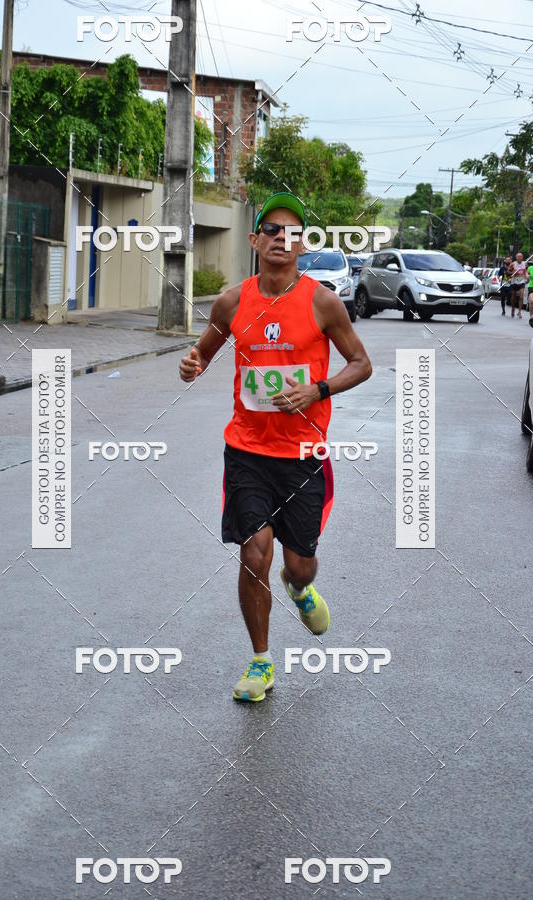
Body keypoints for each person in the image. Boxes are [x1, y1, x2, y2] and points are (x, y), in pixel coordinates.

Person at [179, 192, 372, 702]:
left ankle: (300, 586)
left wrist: (318, 388)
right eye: (271, 230)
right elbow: (201, 352)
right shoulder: (232, 301)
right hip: (246, 451)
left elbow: (361, 363)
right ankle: (261, 661)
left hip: (304, 455)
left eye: (291, 232)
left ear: (302, 245)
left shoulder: (322, 302)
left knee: (297, 562)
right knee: (253, 554)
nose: (280, 239)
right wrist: (191, 363)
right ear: (254, 239)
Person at [509, 251, 527, 318]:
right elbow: (508, 271)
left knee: (521, 296)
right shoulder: (513, 264)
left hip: (522, 281)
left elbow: (526, 271)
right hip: (514, 282)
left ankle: (519, 312)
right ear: (516, 257)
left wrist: (526, 275)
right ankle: (513, 309)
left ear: (522, 257)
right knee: (513, 297)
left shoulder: (525, 264)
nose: (519, 257)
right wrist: (513, 272)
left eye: (521, 256)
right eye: (518, 256)